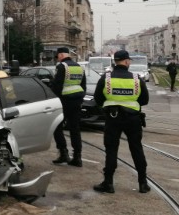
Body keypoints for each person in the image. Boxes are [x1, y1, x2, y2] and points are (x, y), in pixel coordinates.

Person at [93, 49, 150, 194]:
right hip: (133, 119)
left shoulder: (106, 78)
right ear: (126, 61)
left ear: (115, 61)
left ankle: (108, 183)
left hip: (113, 118)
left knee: (111, 150)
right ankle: (143, 183)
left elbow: (98, 99)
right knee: (136, 148)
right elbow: (144, 100)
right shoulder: (137, 79)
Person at [50, 47, 86, 167]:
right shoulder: (79, 67)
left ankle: (63, 153)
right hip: (76, 101)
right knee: (75, 129)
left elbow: (57, 85)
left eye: (58, 56)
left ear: (60, 55)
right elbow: (83, 85)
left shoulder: (61, 66)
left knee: (57, 127)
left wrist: (55, 100)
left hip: (64, 101)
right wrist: (80, 99)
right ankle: (77, 157)